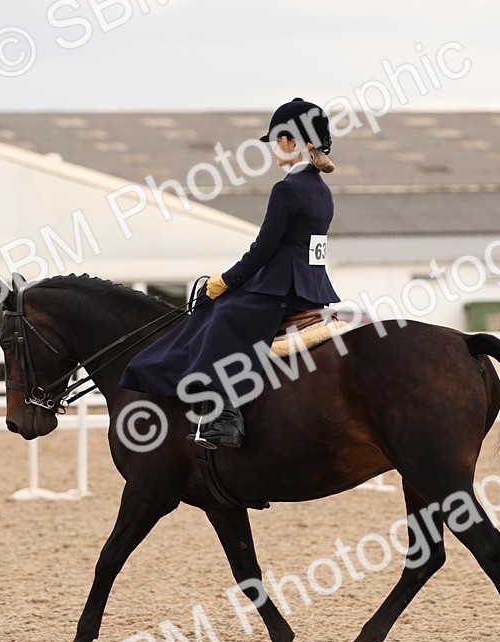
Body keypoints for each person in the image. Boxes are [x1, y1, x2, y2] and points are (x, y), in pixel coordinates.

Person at [120, 98, 341, 449]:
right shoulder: (321, 190)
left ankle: (225, 414)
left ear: (292, 142)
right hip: (311, 286)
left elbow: (264, 249)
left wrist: (226, 280)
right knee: (221, 308)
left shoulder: (287, 189)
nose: (275, 150)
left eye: (277, 141)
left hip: (284, 288)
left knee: (220, 316)